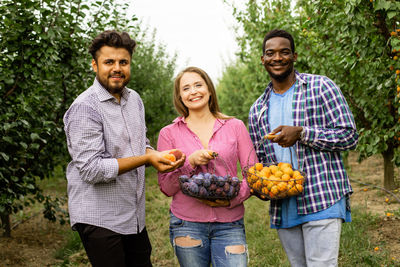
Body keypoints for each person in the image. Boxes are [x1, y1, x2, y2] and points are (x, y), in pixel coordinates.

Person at [63, 30, 185, 267]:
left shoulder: (134, 100)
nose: (117, 68)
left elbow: (141, 145)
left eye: (123, 62)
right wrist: (146, 159)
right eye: (109, 62)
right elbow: (92, 170)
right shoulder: (84, 108)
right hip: (100, 217)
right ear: (94, 65)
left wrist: (155, 154)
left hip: (132, 214)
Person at [248, 29, 358, 267]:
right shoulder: (257, 109)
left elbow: (349, 136)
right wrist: (261, 185)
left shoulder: (321, 87)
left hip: (322, 197)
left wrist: (303, 133)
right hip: (284, 204)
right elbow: (262, 159)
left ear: (294, 56)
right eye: (271, 53)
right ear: (263, 59)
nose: (277, 58)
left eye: (284, 52)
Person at [157, 66, 257, 267]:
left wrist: (232, 200)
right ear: (180, 96)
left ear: (209, 90)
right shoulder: (168, 134)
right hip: (187, 224)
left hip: (230, 223)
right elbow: (166, 187)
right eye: (186, 88)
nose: (193, 91)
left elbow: (252, 174)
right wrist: (190, 163)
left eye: (198, 85)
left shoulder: (235, 126)